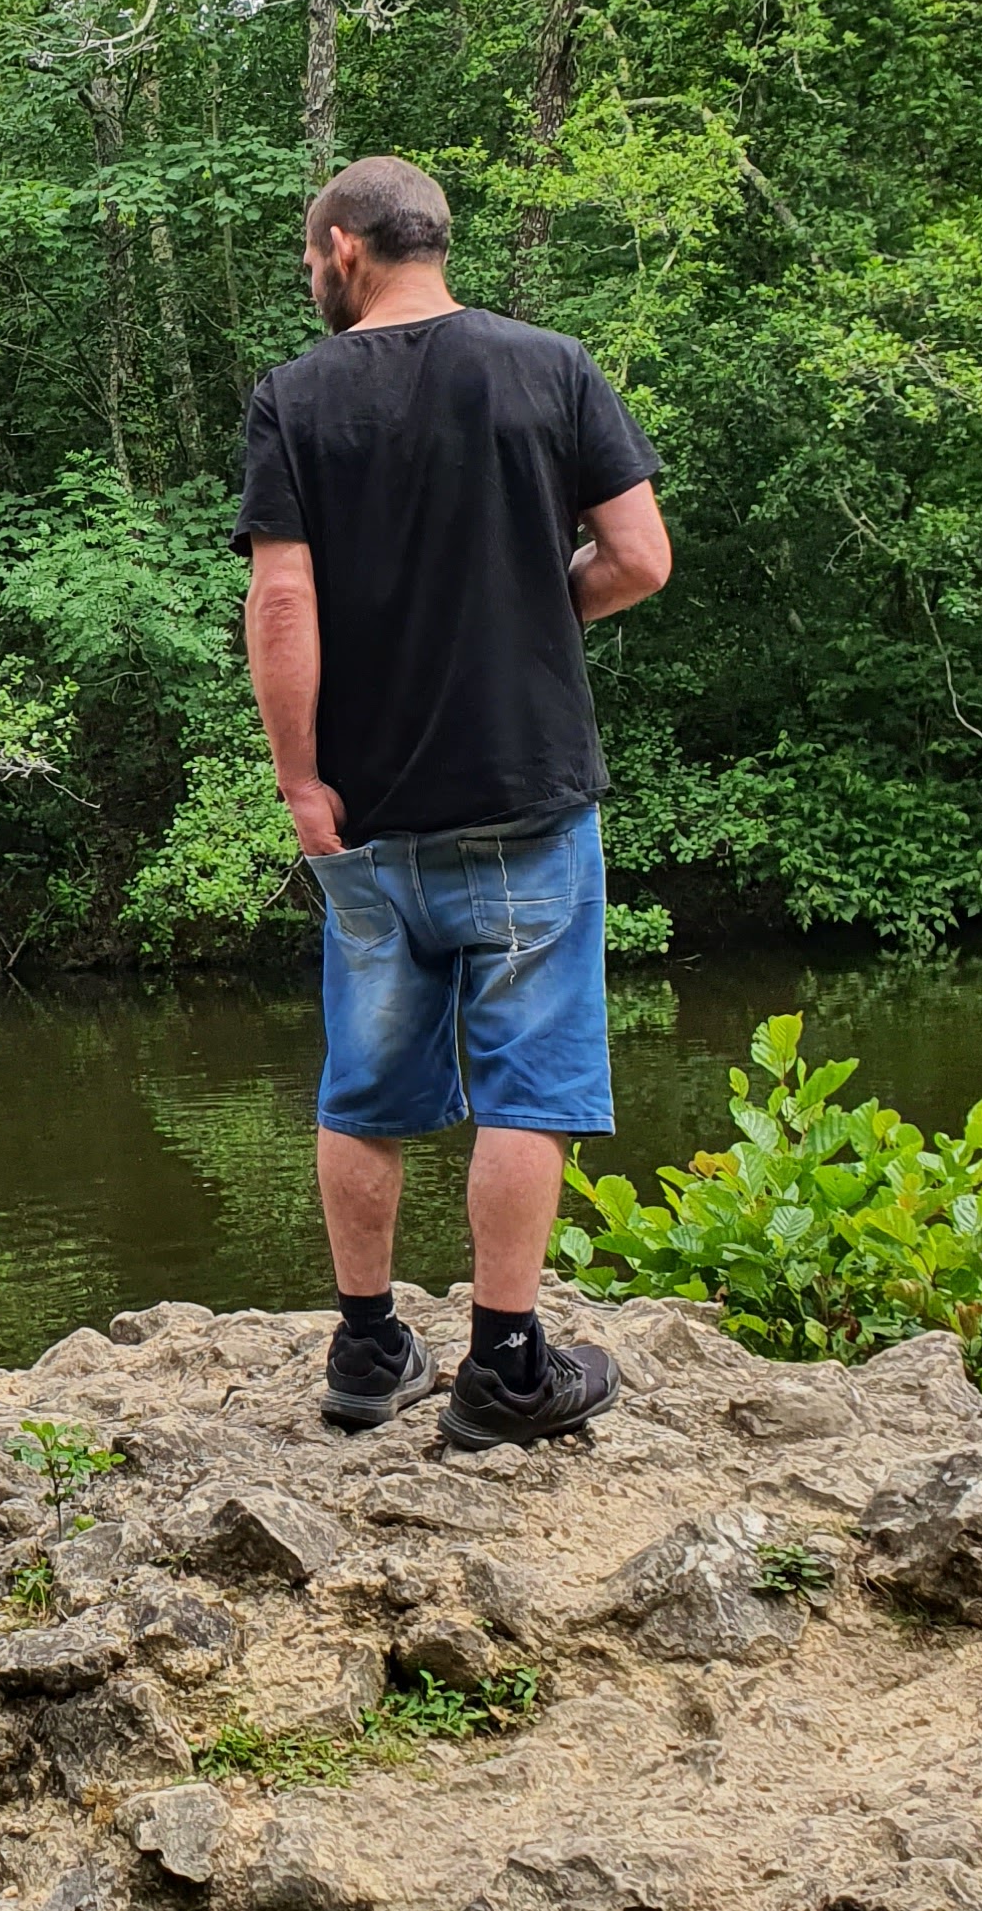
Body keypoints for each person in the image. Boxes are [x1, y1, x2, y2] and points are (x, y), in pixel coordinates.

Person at [235, 155, 673, 1448]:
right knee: (527, 1085)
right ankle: (505, 1369)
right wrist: (548, 603)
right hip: (525, 793)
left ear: (346, 249)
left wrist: (301, 781)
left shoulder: (294, 398)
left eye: (311, 257)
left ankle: (369, 1352)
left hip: (366, 815)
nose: (311, 275)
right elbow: (641, 556)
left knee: (365, 1080)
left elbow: (281, 604)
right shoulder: (549, 366)